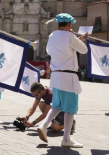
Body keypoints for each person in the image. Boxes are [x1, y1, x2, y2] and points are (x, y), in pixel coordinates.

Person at [37, 13, 88, 148]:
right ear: (69, 24)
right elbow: (83, 50)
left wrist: (75, 39)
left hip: (56, 76)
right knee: (70, 108)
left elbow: (51, 50)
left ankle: (43, 126)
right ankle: (66, 139)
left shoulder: (52, 35)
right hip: (68, 77)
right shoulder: (70, 36)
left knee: (57, 105)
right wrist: (75, 38)